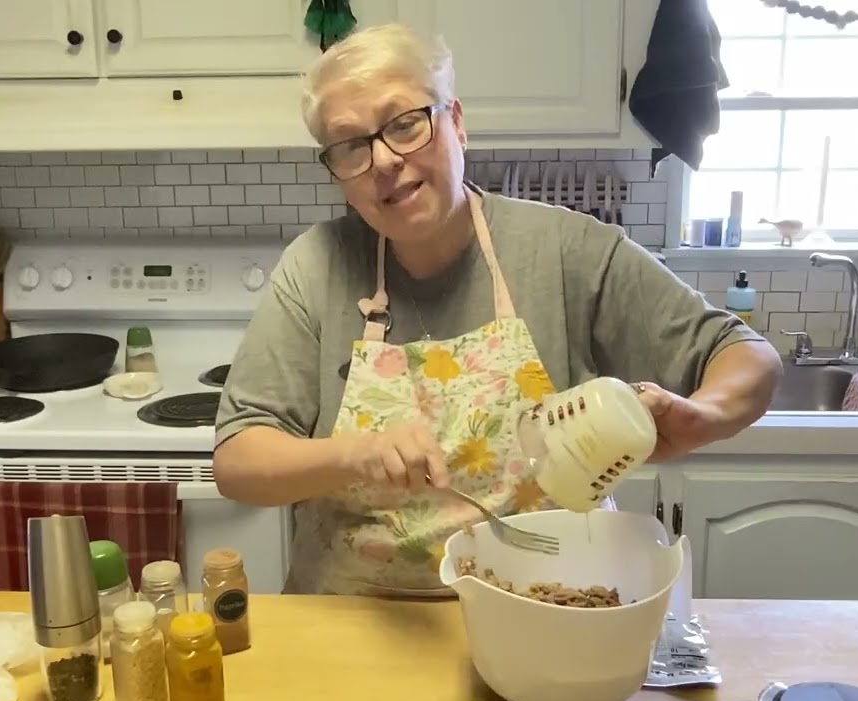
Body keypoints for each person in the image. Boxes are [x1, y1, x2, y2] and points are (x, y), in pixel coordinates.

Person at [213, 23, 782, 596]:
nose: (383, 160)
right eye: (351, 146)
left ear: (456, 122)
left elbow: (745, 355)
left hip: (551, 605)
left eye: (406, 123)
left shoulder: (567, 250)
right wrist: (351, 456)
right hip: (356, 620)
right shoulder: (315, 266)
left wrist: (704, 415)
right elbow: (238, 461)